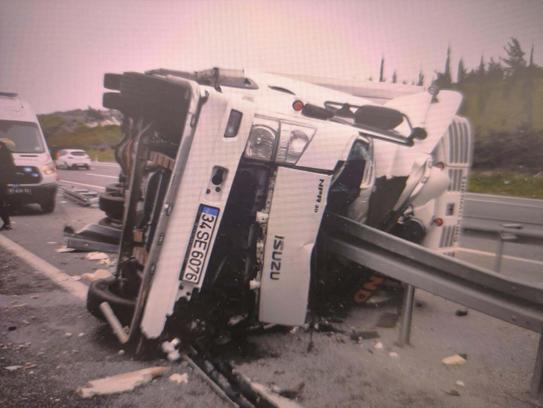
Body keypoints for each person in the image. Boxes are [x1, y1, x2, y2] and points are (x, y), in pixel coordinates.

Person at [0, 139, 16, 230]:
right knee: (2, 203)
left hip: (2, 182)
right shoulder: (6, 153)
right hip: (3, 181)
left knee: (1, 203)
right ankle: (7, 223)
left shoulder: (5, 154)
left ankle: (7, 223)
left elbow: (9, 168)